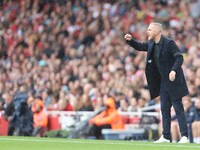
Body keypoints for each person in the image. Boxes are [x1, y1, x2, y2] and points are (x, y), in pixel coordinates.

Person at [125, 22, 189, 143]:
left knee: (178, 108)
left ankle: (184, 136)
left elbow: (179, 57)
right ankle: (165, 136)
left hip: (173, 81)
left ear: (156, 32)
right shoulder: (151, 44)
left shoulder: (169, 43)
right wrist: (130, 40)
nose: (147, 32)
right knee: (164, 109)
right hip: (163, 82)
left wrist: (173, 71)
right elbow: (139, 46)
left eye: (149, 30)